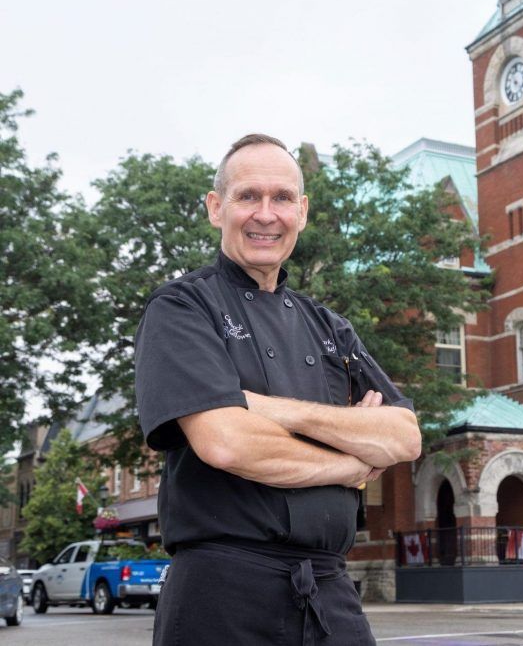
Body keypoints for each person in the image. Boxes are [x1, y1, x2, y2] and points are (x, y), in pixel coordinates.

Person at [135, 134, 421, 644]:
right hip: (222, 593)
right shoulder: (181, 308)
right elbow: (227, 443)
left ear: (302, 212)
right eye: (248, 196)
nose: (266, 215)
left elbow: (404, 437)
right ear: (216, 207)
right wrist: (351, 463)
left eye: (282, 198)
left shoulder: (330, 327)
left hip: (331, 592)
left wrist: (264, 409)